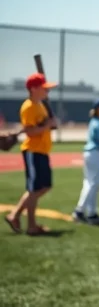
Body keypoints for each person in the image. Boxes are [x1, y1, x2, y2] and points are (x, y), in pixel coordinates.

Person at [4, 73, 58, 236]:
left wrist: (49, 124)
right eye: (44, 88)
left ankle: (15, 215)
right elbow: (30, 132)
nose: (47, 91)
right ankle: (31, 226)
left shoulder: (40, 105)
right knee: (34, 189)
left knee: (44, 186)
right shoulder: (28, 107)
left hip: (42, 150)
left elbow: (41, 125)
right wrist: (48, 125)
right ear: (33, 89)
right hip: (33, 151)